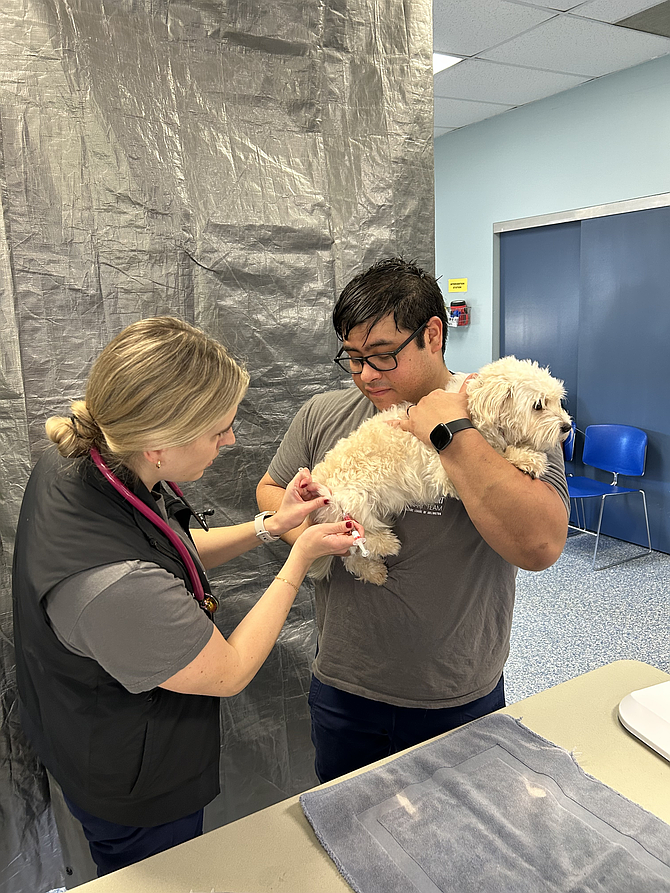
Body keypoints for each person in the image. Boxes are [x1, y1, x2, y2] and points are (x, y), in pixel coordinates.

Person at [12, 316, 361, 876]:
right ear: (157, 444)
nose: (231, 440)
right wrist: (299, 556)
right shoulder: (114, 586)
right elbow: (227, 671)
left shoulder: (83, 461)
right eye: (219, 428)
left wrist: (269, 526)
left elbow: (168, 543)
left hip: (86, 728)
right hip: (134, 784)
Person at [256, 257, 569, 783]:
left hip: (456, 691)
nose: (365, 375)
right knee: (348, 838)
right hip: (345, 687)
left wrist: (452, 433)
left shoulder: (509, 411)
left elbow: (539, 546)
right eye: (352, 358)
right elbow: (270, 493)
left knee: (464, 842)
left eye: (382, 356)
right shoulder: (323, 414)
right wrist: (308, 522)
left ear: (432, 334)